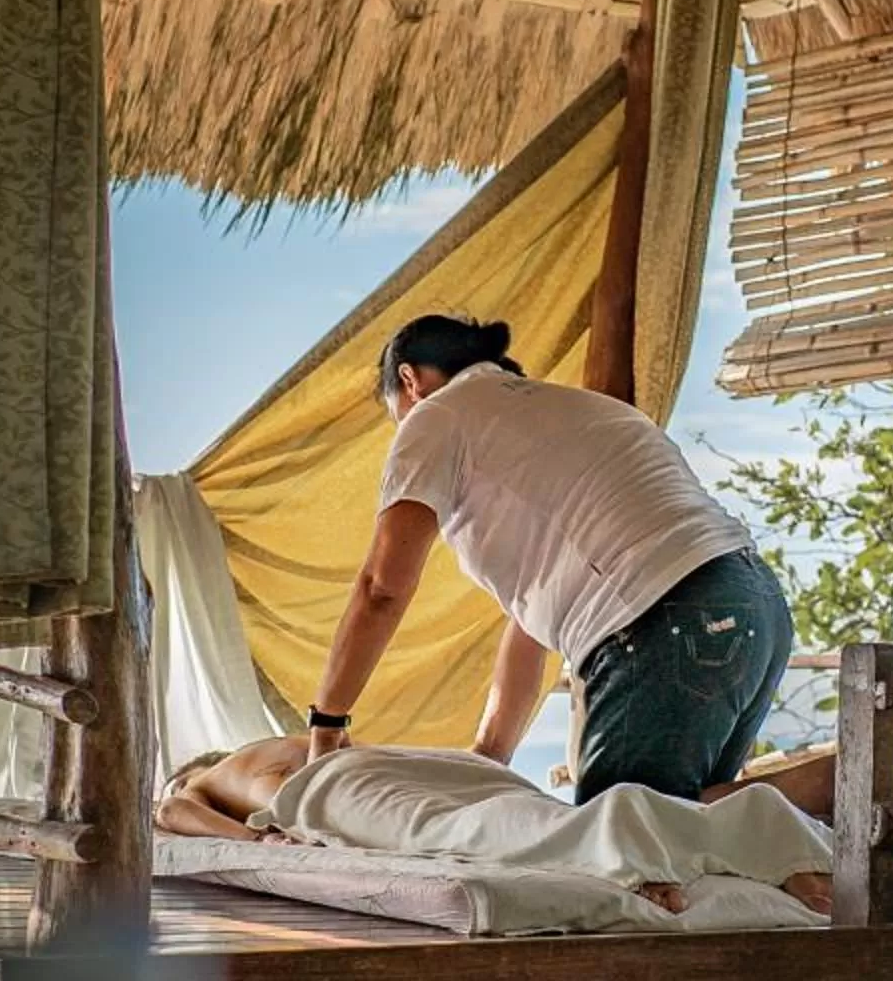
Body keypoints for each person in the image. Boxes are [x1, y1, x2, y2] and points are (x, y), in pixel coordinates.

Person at [301, 312, 816, 811]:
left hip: (664, 617)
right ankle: (832, 787)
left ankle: (838, 783)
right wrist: (490, 756)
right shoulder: (573, 415)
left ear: (410, 380)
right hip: (755, 606)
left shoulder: (436, 415)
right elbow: (530, 620)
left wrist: (326, 726)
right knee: (683, 823)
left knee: (618, 830)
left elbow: (382, 588)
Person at [153, 736, 833, 915]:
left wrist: (255, 840)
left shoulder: (205, 777)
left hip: (335, 786)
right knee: (526, 815)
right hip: (429, 760)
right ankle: (760, 830)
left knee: (477, 832)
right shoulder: (275, 744)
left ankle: (625, 839)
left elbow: (170, 812)